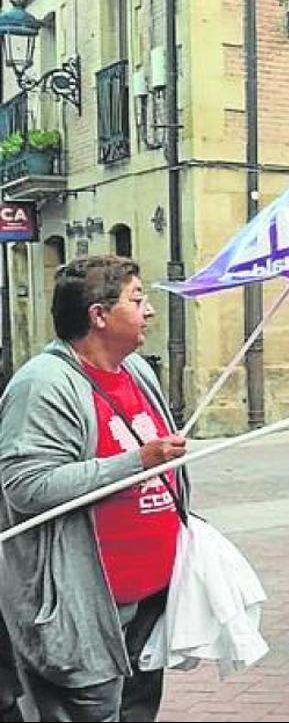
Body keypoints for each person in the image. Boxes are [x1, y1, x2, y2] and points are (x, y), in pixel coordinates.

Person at [0, 255, 188, 722]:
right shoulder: (44, 384)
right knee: (92, 711)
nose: (148, 311)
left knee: (138, 708)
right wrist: (137, 461)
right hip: (85, 606)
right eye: (137, 299)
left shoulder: (138, 370)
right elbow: (25, 487)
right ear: (98, 315)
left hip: (150, 595)